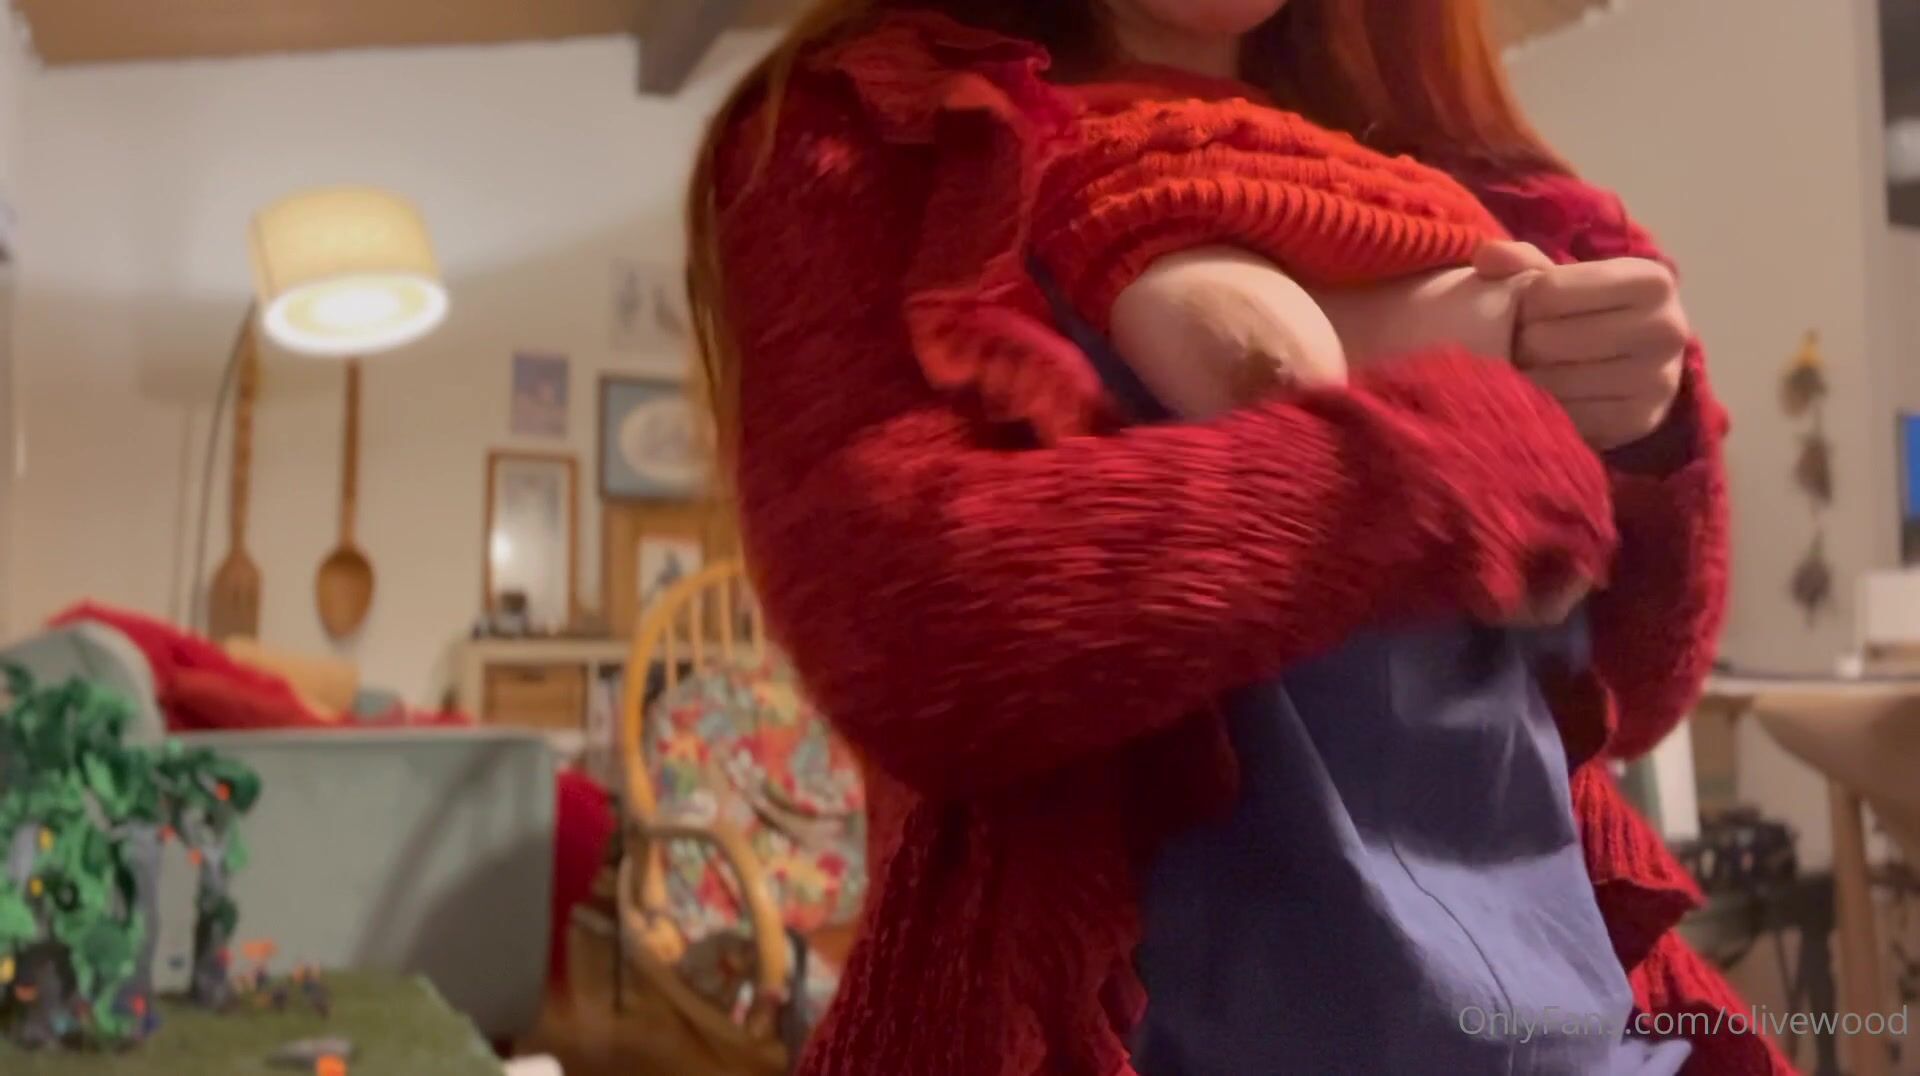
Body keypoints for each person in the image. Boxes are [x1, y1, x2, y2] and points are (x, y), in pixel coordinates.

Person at [686, 2, 1786, 1074]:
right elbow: (911, 635)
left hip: (1552, 1018)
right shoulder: (872, 133)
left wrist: (1652, 435)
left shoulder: (1469, 179)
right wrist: (1444, 458)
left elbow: (1639, 692)